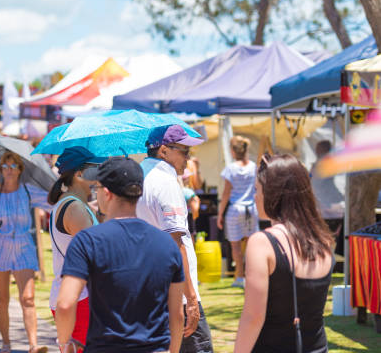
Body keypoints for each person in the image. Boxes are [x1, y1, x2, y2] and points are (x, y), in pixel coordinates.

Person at [56, 157, 185, 353]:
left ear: (106, 193)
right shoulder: (167, 244)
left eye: (96, 189)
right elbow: (177, 315)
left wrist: (65, 342)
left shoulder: (87, 241)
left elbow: (65, 304)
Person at [234, 154, 334, 352]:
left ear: (273, 193)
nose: (255, 196)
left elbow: (253, 318)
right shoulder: (324, 241)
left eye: (257, 190)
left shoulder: (262, 243)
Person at [136, 124, 213, 353]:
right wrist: (191, 299)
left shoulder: (138, 176)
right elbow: (175, 243)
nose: (188, 158)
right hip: (175, 291)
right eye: (184, 152)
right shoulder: (166, 182)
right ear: (164, 151)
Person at [0, 151, 51, 353]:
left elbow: (54, 201)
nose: (9, 170)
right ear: (0, 169)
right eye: (5, 166)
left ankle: (33, 345)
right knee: (2, 299)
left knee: (28, 298)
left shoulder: (28, 191)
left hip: (23, 248)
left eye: (13, 166)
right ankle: (6, 343)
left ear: (20, 169)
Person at [47, 147, 106, 350]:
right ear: (79, 173)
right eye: (95, 168)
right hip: (80, 298)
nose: (100, 172)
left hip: (73, 296)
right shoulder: (75, 208)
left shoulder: (73, 204)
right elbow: (97, 254)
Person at [217, 135, 259, 288]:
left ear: (233, 151)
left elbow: (226, 193)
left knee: (235, 246)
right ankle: (252, 275)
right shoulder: (254, 166)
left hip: (235, 208)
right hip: (251, 208)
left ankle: (240, 276)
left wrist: (220, 214)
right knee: (251, 245)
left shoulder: (230, 168)